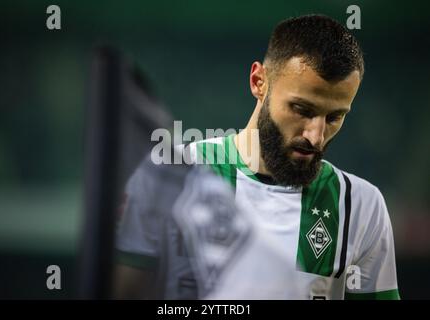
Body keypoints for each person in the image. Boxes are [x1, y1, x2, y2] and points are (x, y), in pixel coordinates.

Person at [114, 14, 400, 300]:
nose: (316, 135)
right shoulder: (174, 178)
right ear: (258, 81)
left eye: (335, 117)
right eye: (302, 109)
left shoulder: (361, 206)